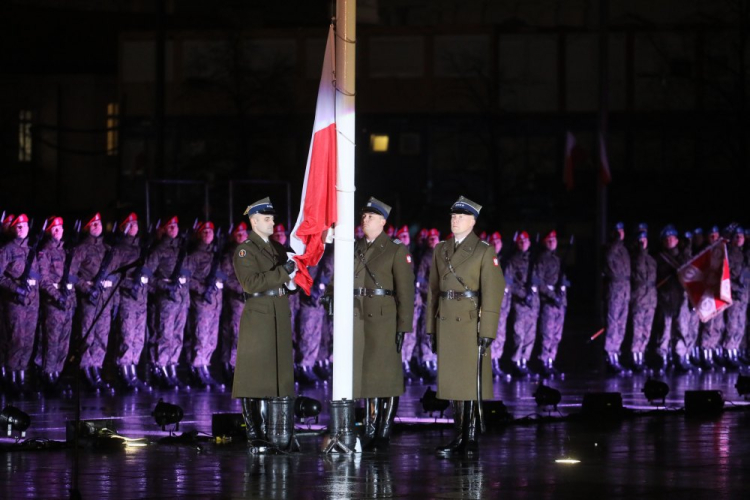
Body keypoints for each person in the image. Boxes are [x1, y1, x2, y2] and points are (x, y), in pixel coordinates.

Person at [426, 196, 504, 457]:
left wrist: (488, 331)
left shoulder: (483, 250)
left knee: (469, 382)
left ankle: (469, 438)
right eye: (452, 216)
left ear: (473, 221)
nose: (455, 220)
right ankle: (458, 435)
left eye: (460, 217)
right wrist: (430, 328)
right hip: (447, 320)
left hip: (470, 323)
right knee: (452, 383)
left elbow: (493, 292)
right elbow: (433, 292)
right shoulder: (441, 250)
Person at [233, 197, 298, 453]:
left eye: (272, 218)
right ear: (255, 221)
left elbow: (285, 278)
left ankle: (277, 432)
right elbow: (252, 283)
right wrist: (284, 272)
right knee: (254, 376)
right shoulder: (245, 250)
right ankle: (255, 433)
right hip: (259, 313)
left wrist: (292, 280)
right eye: (268, 218)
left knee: (277, 375)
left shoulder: (277, 247)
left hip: (278, 311)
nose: (273, 222)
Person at [353, 197, 415, 451]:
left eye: (370, 216)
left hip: (384, 318)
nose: (364, 219)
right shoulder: (355, 246)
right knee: (365, 377)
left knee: (386, 377)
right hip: (359, 317)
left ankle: (383, 430)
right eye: (363, 215)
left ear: (382, 221)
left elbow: (406, 292)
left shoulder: (395, 249)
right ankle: (369, 427)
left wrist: (403, 326)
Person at [70, 213, 122, 392]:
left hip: (105, 299)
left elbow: (115, 277)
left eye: (99, 223)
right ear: (86, 228)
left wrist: (114, 301)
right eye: (93, 224)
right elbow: (71, 275)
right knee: (88, 336)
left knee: (101, 336)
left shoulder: (107, 249)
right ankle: (85, 370)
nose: (97, 227)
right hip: (90, 299)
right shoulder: (81, 249)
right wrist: (86, 288)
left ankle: (96, 369)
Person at [146, 216, 193, 389]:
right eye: (169, 226)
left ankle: (172, 367)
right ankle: (160, 367)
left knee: (177, 336)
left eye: (175, 226)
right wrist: (163, 287)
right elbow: (146, 277)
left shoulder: (182, 250)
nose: (173, 229)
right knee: (164, 335)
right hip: (166, 300)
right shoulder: (159, 250)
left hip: (181, 299)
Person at [0, 214, 41, 396]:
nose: (22, 229)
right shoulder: (7, 250)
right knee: (16, 339)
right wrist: (14, 288)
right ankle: (12, 379)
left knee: (28, 341)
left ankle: (22, 378)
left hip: (32, 302)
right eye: (18, 226)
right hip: (15, 301)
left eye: (24, 226)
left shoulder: (32, 250)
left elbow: (38, 277)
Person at [37, 216, 76, 394]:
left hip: (67, 301)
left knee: (64, 341)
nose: (58, 231)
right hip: (54, 302)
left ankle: (57, 374)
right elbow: (43, 280)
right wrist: (57, 295)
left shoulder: (65, 251)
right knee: (52, 341)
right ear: (49, 231)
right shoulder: (45, 252)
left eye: (60, 228)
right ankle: (48, 374)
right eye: (55, 229)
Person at [112, 213, 151, 391]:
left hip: (141, 300)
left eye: (136, 223)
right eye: (131, 224)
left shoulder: (139, 248)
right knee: (127, 336)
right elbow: (114, 276)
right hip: (127, 298)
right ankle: (125, 371)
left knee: (138, 338)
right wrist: (130, 284)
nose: (135, 226)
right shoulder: (120, 249)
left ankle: (133, 371)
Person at [187, 220, 225, 389]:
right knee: (201, 336)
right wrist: (202, 288)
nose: (208, 233)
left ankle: (205, 366)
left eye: (211, 231)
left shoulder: (216, 254)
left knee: (211, 338)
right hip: (202, 301)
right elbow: (187, 279)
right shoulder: (195, 255)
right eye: (205, 231)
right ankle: (197, 368)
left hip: (215, 302)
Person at [534, 230, 568, 377]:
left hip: (560, 301)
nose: (552, 242)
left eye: (554, 240)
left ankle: (550, 361)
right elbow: (539, 282)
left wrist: (562, 293)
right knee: (547, 333)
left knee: (556, 335)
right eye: (549, 240)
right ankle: (543, 362)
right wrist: (552, 295)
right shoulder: (542, 259)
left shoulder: (557, 259)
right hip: (549, 301)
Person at [506, 231, 539, 378]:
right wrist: (522, 294)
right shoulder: (513, 261)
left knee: (530, 335)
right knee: (519, 334)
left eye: (525, 241)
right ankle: (516, 362)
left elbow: (538, 280)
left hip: (533, 303)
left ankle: (524, 362)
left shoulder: (533, 260)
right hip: (520, 303)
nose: (523, 244)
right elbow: (508, 282)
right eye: (520, 242)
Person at [218, 222, 248, 386]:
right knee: (235, 335)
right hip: (237, 300)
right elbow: (225, 277)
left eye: (243, 233)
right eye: (238, 234)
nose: (241, 236)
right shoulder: (230, 255)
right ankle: (230, 368)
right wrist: (240, 290)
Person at [603, 222, 631, 375]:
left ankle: (616, 355)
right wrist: (616, 241)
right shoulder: (610, 247)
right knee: (613, 323)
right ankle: (610, 356)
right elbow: (608, 257)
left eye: (622, 230)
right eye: (617, 231)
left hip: (625, 289)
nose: (621, 233)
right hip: (614, 290)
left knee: (621, 325)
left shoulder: (624, 250)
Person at [629, 230, 657, 373]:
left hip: (651, 299)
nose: (643, 242)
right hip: (639, 299)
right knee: (637, 330)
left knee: (647, 330)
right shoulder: (634, 258)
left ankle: (642, 356)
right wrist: (640, 252)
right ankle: (635, 358)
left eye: (644, 239)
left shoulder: (651, 260)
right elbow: (638, 270)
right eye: (640, 240)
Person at [722, 226, 748, 369]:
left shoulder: (745, 255)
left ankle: (735, 350)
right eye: (736, 237)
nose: (739, 239)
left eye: (742, 236)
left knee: (740, 326)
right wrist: (734, 289)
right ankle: (729, 352)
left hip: (744, 297)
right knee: (732, 325)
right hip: (734, 295)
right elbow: (726, 277)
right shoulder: (730, 254)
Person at [487, 231, 511, 379]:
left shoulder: (504, 261)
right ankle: (489, 365)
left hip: (503, 306)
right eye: (493, 242)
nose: (496, 245)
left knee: (500, 336)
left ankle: (496, 363)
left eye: (498, 242)